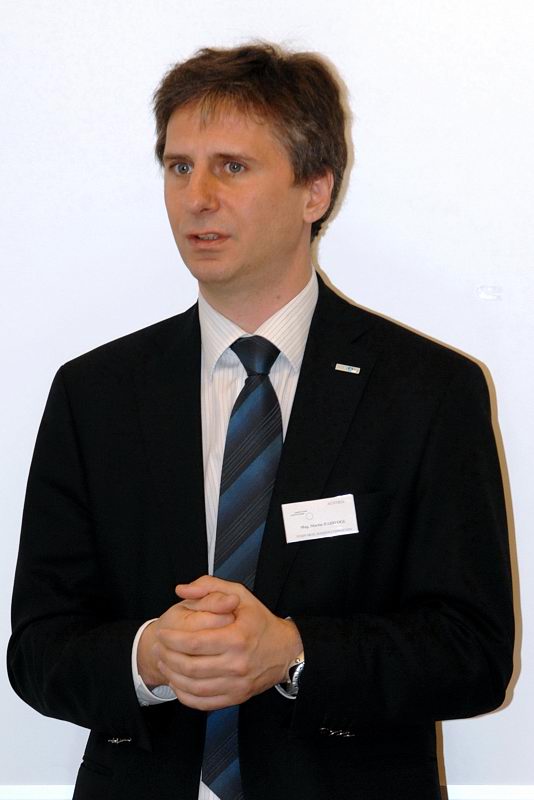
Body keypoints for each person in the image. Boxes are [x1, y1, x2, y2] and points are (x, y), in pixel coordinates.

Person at [8, 43, 514, 800]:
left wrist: (294, 653)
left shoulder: (428, 392)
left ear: (316, 190)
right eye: (179, 167)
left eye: (232, 167)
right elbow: (37, 648)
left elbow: (475, 652)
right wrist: (149, 658)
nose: (197, 197)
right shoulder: (96, 393)